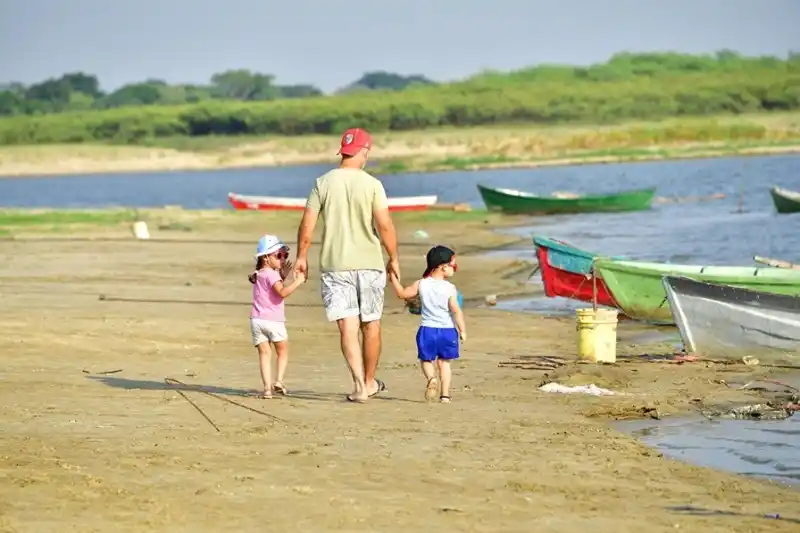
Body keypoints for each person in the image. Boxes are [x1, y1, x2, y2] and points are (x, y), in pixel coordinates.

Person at [294, 127, 399, 403]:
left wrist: (302, 257)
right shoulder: (372, 184)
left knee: (348, 328)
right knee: (371, 325)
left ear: (343, 151)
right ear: (364, 151)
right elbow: (385, 225)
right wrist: (394, 257)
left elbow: (307, 224)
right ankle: (369, 381)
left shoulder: (322, 183)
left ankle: (359, 385)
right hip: (369, 263)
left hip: (335, 265)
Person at [388, 245, 466, 403]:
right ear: (443, 267)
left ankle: (431, 378)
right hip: (447, 331)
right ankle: (445, 395)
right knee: (444, 364)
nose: (455, 270)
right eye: (454, 266)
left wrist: (393, 277)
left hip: (427, 330)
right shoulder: (450, 288)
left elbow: (402, 294)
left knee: (426, 360)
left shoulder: (421, 284)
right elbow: (456, 311)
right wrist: (462, 330)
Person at [248, 234, 305, 399]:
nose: (282, 259)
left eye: (284, 255)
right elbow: (281, 292)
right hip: (273, 321)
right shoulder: (272, 275)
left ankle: (267, 389)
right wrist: (297, 282)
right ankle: (278, 381)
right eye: (278, 255)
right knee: (282, 352)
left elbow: (269, 289)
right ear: (266, 257)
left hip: (257, 320)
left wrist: (282, 276)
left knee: (264, 354)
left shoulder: (258, 273)